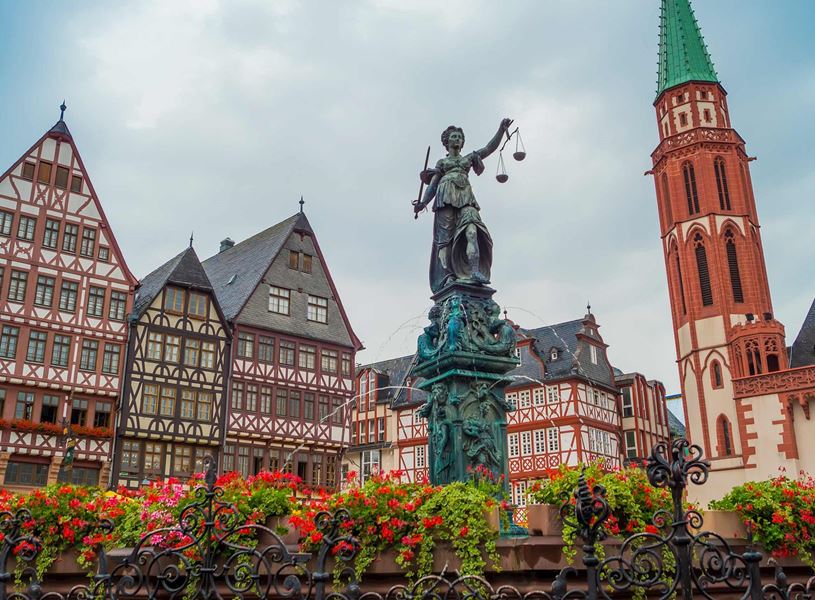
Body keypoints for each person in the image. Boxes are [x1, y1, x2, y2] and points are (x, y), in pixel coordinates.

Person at [414, 118, 513, 293]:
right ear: (447, 141)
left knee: (473, 231)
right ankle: (447, 276)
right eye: (454, 136)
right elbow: (433, 186)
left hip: (466, 198)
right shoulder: (442, 163)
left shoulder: (468, 158)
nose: (458, 139)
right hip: (445, 198)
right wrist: (423, 203)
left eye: (460, 137)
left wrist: (501, 130)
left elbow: (489, 148)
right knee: (445, 240)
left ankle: (474, 271)